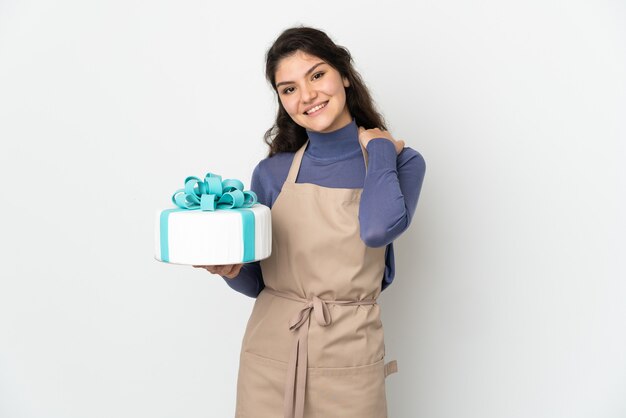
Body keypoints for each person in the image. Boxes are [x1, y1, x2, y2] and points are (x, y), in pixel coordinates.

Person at [195, 25, 426, 418]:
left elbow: (376, 230)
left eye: (317, 75)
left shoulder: (401, 163)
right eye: (288, 89)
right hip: (269, 356)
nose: (306, 96)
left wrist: (382, 150)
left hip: (350, 359)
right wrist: (230, 271)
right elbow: (261, 284)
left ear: (345, 75)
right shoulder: (271, 174)